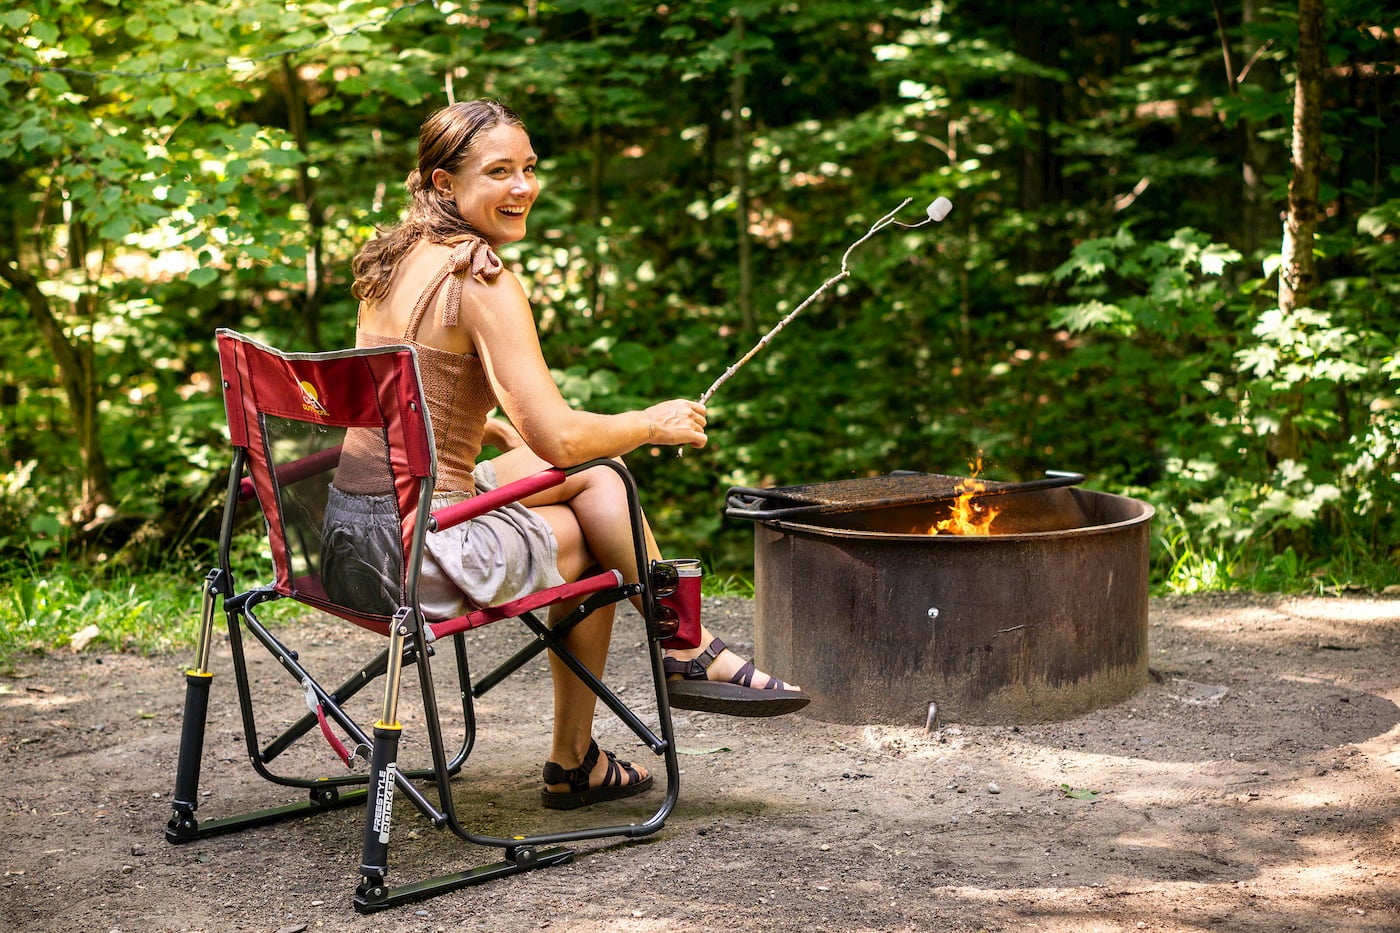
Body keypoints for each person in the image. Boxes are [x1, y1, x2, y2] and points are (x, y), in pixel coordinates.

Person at [329, 98, 806, 811]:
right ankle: (623, 709)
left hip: (345, 538)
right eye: (499, 171)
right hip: (416, 549)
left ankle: (682, 648)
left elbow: (399, 396)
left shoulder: (392, 259)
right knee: (595, 519)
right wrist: (651, 421)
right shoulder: (479, 280)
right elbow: (558, 437)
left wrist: (480, 428)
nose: (523, 187)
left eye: (529, 168)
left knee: (600, 480)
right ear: (442, 184)